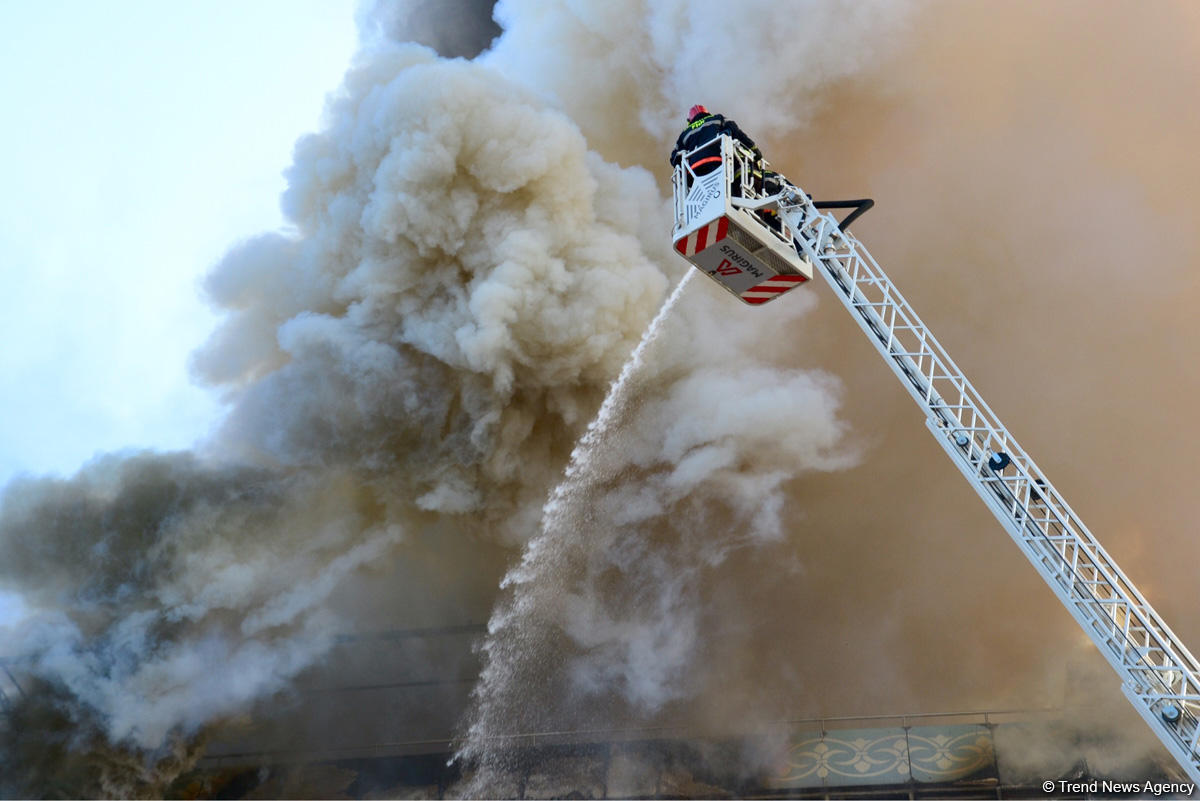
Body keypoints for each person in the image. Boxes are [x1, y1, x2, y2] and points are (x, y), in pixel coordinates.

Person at [669, 105, 761, 181]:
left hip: (694, 170)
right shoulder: (718, 119)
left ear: (690, 120)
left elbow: (674, 157)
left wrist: (683, 172)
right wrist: (755, 150)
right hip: (716, 162)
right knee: (727, 187)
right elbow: (737, 133)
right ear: (707, 113)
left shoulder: (684, 134)